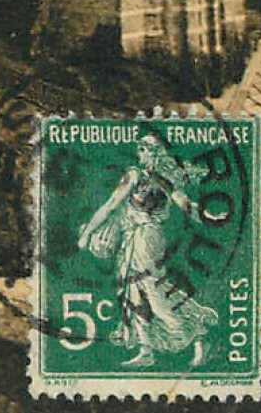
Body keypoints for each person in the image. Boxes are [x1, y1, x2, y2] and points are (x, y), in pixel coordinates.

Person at [77, 134, 218, 368]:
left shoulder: (152, 178)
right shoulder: (148, 177)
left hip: (146, 239)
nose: (143, 156)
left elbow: (182, 205)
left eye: (147, 151)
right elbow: (113, 205)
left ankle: (195, 330)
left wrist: (87, 234)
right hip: (135, 237)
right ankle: (146, 349)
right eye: (142, 151)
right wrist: (88, 232)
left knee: (153, 290)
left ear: (154, 154)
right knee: (133, 288)